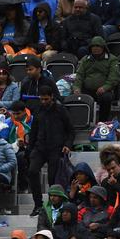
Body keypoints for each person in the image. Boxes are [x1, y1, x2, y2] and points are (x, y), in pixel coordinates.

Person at [28, 85, 74, 216]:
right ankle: (38, 204)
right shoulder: (38, 110)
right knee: (32, 171)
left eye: (46, 99)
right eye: (41, 99)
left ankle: (52, 205)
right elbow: (33, 132)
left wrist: (67, 144)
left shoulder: (61, 110)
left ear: (52, 97)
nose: (43, 102)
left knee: (52, 178)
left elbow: (71, 130)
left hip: (56, 148)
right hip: (40, 147)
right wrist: (30, 149)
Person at [73, 36, 120, 122]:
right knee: (76, 96)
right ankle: (81, 122)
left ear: (103, 47)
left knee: (106, 98)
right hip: (87, 90)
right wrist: (76, 88)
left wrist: (105, 87)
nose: (95, 48)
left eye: (98, 46)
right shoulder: (85, 59)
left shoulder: (112, 59)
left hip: (104, 91)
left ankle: (103, 121)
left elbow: (114, 77)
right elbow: (79, 75)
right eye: (93, 46)